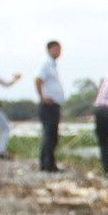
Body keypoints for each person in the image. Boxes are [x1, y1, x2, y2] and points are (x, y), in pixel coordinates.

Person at [34, 39, 64, 172]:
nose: (59, 52)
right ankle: (47, 165)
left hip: (54, 105)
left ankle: (48, 163)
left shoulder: (52, 64)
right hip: (48, 106)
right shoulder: (45, 62)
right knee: (49, 135)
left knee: (52, 135)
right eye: (57, 49)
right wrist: (42, 97)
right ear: (50, 49)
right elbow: (38, 79)